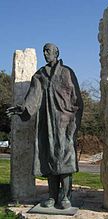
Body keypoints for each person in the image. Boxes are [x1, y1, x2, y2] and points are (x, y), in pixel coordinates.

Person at [6, 43, 83, 209]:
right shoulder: (40, 75)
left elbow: (77, 100)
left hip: (64, 122)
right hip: (46, 123)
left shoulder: (67, 72)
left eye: (48, 51)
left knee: (65, 159)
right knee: (49, 159)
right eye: (44, 51)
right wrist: (22, 108)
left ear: (56, 52)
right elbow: (33, 98)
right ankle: (52, 196)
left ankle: (65, 197)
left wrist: (73, 123)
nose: (45, 54)